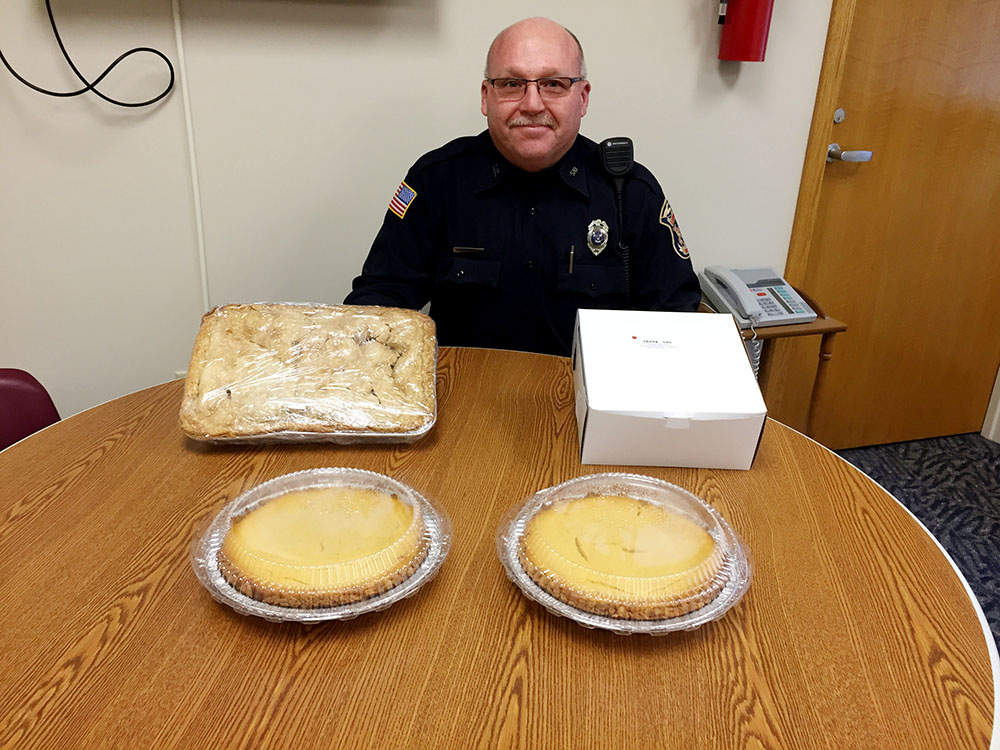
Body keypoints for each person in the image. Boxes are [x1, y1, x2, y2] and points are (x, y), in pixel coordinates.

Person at [345, 17, 701, 356]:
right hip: (462, 397)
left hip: (587, 407)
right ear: (486, 97)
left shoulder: (629, 192)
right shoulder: (437, 181)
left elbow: (676, 321)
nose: (532, 105)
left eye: (554, 84)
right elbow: (382, 298)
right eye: (512, 84)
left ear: (583, 97)